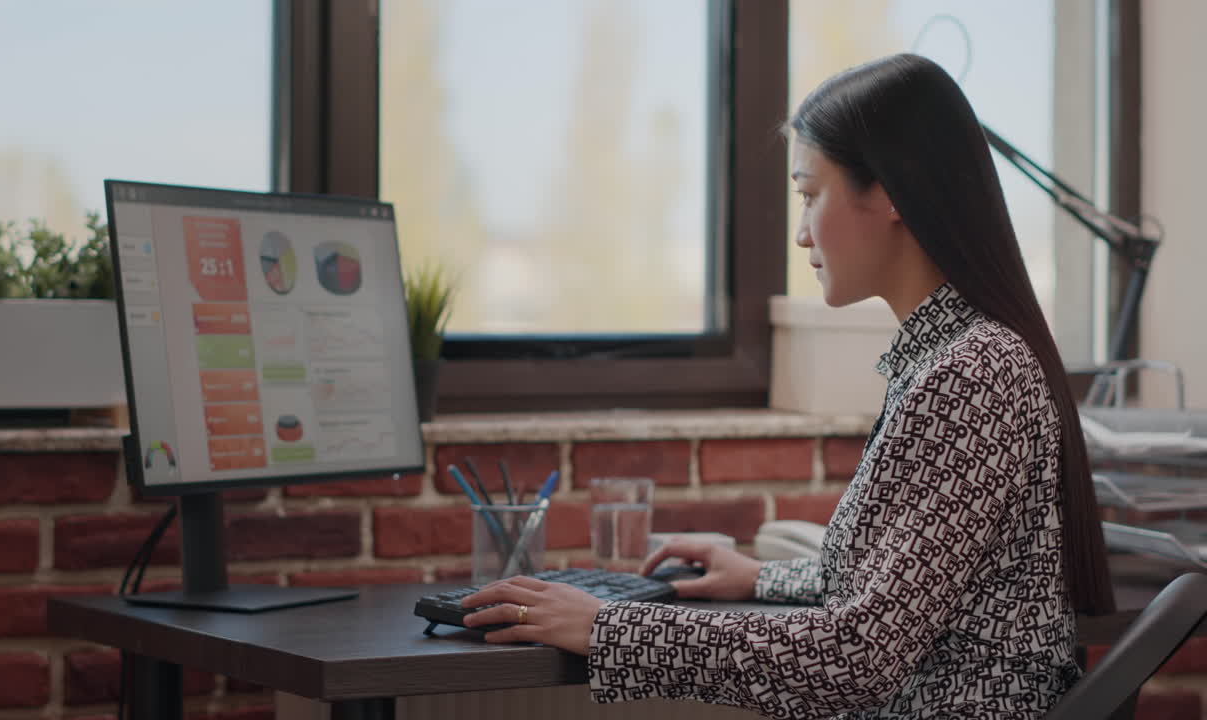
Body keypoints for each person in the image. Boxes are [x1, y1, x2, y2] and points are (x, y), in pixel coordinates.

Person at [460, 53, 1114, 719]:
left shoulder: (972, 372)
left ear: (890, 192)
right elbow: (901, 589)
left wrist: (607, 629)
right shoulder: (952, 357)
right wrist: (759, 576)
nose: (801, 234)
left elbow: (858, 658)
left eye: (809, 195)